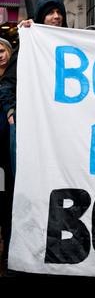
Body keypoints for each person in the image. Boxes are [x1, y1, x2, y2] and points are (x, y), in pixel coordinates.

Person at [0, 0, 67, 275]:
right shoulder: (29, 44)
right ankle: (28, 252)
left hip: (63, 134)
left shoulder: (72, 44)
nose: (55, 17)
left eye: (59, 13)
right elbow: (7, 86)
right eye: (49, 12)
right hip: (34, 133)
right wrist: (12, 112)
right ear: (40, 16)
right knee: (29, 190)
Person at [0, 39, 14, 268]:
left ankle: (9, 245)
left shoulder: (19, 76)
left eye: (2, 50)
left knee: (8, 198)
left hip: (8, 151)